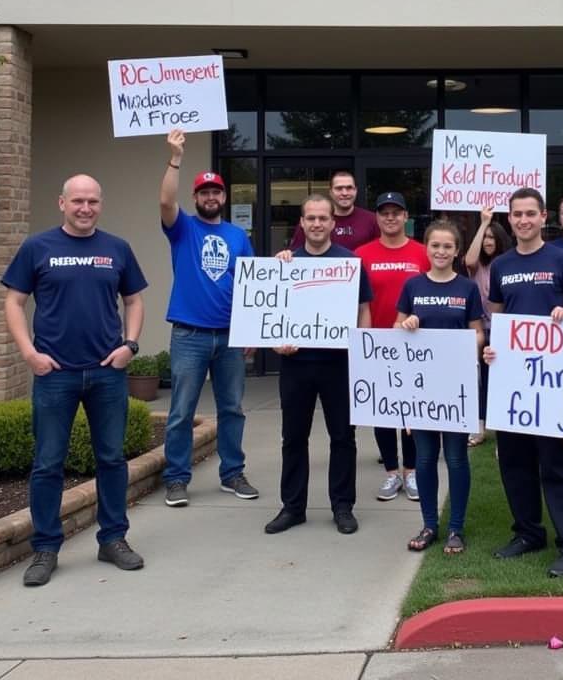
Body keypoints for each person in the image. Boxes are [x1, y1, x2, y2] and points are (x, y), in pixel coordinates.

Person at [2, 175, 147, 588]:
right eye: (78, 201)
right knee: (48, 463)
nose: (86, 208)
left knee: (112, 459)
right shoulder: (37, 247)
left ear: (101, 204)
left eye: (93, 202)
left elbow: (134, 299)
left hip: (107, 372)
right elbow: (14, 301)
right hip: (55, 374)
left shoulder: (116, 248)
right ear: (61, 202)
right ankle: (46, 548)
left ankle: (113, 539)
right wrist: (29, 353)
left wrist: (130, 346)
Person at [484, 187, 563, 579]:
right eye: (517, 214)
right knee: (515, 462)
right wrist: (492, 351)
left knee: (557, 460)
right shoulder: (501, 265)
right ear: (509, 218)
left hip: (554, 378)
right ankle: (528, 532)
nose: (524, 220)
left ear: (543, 216)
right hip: (513, 380)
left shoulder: (561, 260)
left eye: (531, 213)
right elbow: (497, 317)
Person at [160, 129, 258, 508]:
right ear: (196, 197)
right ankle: (176, 478)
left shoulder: (238, 235)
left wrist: (251, 328)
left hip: (231, 335)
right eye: (204, 192)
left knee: (232, 408)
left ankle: (232, 473)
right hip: (190, 334)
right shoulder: (183, 228)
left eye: (216, 191)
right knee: (181, 411)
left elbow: (251, 284)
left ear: (224, 197)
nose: (211, 197)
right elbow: (166, 201)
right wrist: (175, 158)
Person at [266, 194, 373, 535]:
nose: (316, 224)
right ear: (301, 222)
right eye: (310, 218)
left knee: (343, 436)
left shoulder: (349, 262)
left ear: (332, 223)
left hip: (338, 363)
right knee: (293, 437)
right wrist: (274, 342)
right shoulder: (286, 263)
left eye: (322, 218)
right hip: (296, 363)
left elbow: (363, 311)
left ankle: (342, 506)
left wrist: (362, 344)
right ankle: (293, 507)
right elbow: (269, 314)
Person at [397, 220, 484, 555]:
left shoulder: (467, 288)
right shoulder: (413, 285)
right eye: (435, 246)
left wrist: (465, 342)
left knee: (457, 457)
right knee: (425, 457)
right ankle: (429, 524)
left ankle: (456, 528)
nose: (441, 252)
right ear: (427, 248)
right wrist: (407, 324)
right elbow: (396, 327)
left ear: (457, 250)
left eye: (448, 246)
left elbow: (478, 332)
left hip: (456, 385)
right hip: (421, 388)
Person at [355, 192, 429, 502]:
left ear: (405, 216)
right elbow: (356, 301)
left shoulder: (423, 253)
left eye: (395, 212)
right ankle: (390, 473)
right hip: (378, 341)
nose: (390, 218)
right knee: (383, 412)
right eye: (384, 212)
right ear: (377, 218)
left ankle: (411, 471)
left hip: (416, 342)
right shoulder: (361, 254)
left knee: (411, 411)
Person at [463, 208, 512, 445]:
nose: (488, 242)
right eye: (485, 238)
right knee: (481, 379)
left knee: (503, 380)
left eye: (492, 238)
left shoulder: (508, 264)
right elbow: (469, 260)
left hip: (505, 330)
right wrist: (483, 224)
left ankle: (505, 426)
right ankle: (480, 426)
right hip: (482, 329)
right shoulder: (477, 267)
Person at [289, 169, 379, 251]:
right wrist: (286, 255)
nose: (344, 193)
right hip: (323, 269)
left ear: (356, 190)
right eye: (339, 188)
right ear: (331, 192)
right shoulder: (312, 222)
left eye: (349, 188)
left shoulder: (372, 220)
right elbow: (295, 254)